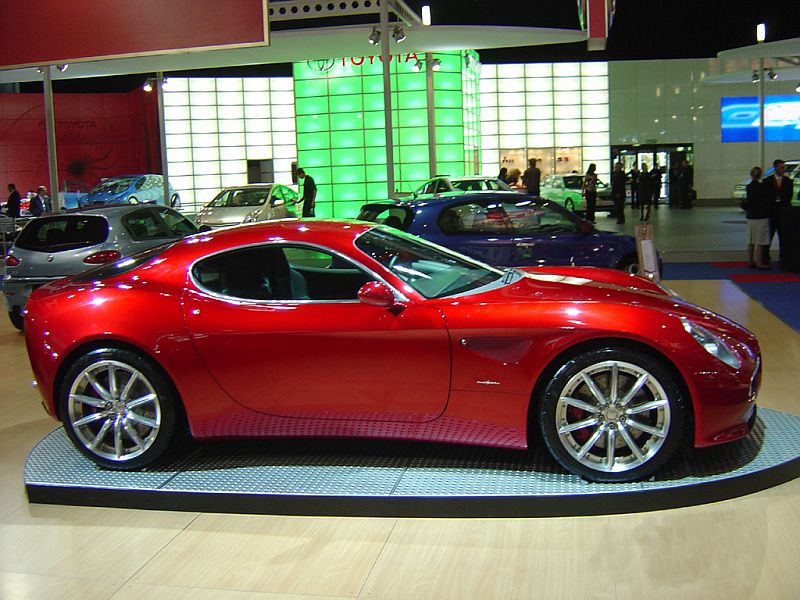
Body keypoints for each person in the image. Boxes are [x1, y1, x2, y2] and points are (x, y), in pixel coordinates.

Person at [762, 159, 794, 262]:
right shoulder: (767, 181)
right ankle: (765, 257)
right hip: (771, 212)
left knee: (784, 237)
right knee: (768, 236)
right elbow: (765, 195)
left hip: (784, 213)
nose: (783, 169)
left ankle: (784, 256)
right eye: (781, 167)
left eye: (783, 167)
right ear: (775, 168)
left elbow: (789, 196)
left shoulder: (788, 182)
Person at [742, 167, 771, 269]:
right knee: (760, 240)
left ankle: (751, 261)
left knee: (751, 240)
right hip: (761, 215)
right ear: (760, 175)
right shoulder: (762, 187)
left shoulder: (749, 187)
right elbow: (766, 199)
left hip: (751, 215)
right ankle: (759, 262)